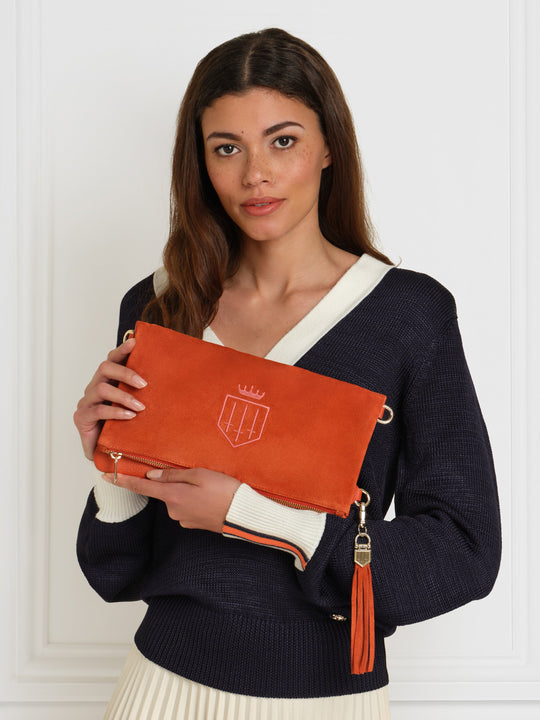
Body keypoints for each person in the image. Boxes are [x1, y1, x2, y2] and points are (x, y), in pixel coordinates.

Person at [74, 28, 502, 720]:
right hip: (160, 690)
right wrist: (109, 463)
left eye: (282, 141)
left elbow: (465, 551)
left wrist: (254, 515)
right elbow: (114, 572)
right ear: (200, 161)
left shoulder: (407, 315)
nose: (255, 175)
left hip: (328, 699)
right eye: (226, 148)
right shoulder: (159, 306)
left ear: (329, 145)